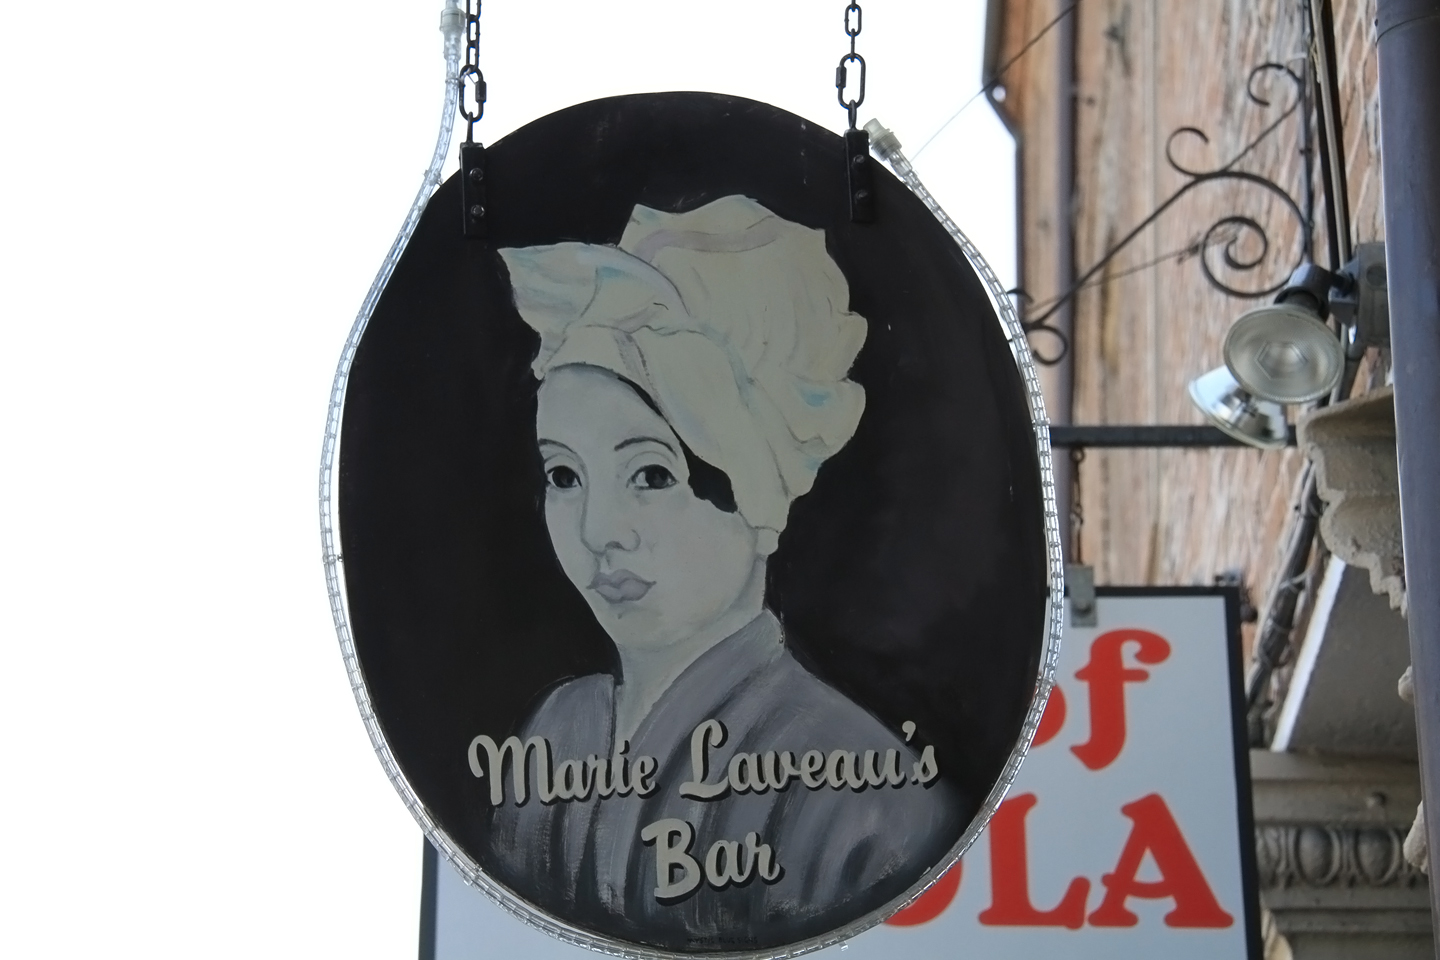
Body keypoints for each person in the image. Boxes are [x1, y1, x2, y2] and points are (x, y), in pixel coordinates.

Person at [484, 196, 962, 951]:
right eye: (565, 476)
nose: (599, 531)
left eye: (651, 474)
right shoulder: (558, 732)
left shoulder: (871, 796)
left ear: (761, 491)